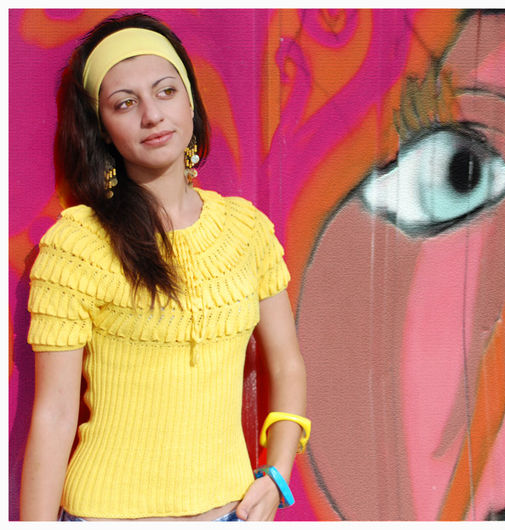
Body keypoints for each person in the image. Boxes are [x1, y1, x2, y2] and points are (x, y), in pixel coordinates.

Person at [19, 13, 308, 521]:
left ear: (190, 102)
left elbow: (286, 365)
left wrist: (277, 475)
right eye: (125, 103)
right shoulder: (77, 244)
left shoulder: (247, 230)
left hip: (231, 513)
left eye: (166, 92)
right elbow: (54, 414)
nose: (152, 115)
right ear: (102, 128)